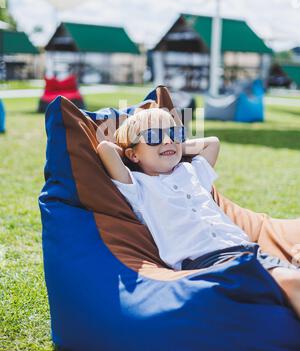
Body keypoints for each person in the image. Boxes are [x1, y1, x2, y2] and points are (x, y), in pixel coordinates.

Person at [97, 107, 300, 317]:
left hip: (249, 250)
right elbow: (105, 149)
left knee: (292, 280)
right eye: (153, 136)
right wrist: (129, 150)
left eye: (174, 133)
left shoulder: (192, 172)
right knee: (293, 282)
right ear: (132, 154)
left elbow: (213, 143)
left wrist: (170, 145)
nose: (167, 140)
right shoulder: (139, 187)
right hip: (208, 261)